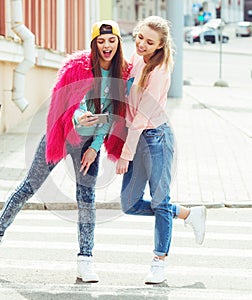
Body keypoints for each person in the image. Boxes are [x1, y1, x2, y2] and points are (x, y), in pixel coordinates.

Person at [0, 20, 131, 283]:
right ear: (94, 44)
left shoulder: (122, 74)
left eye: (112, 40)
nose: (107, 46)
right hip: (62, 135)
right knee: (29, 186)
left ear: (118, 42)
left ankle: (86, 259)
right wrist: (78, 117)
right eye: (101, 41)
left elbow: (113, 114)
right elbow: (68, 104)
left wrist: (94, 148)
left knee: (86, 198)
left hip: (88, 144)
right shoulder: (77, 68)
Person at [116, 16, 207, 284]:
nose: (142, 44)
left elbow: (141, 118)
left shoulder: (159, 73)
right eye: (140, 37)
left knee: (159, 200)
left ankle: (159, 262)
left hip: (156, 138)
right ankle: (188, 213)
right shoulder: (137, 57)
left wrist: (125, 155)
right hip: (138, 136)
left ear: (160, 46)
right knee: (129, 204)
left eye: (149, 42)